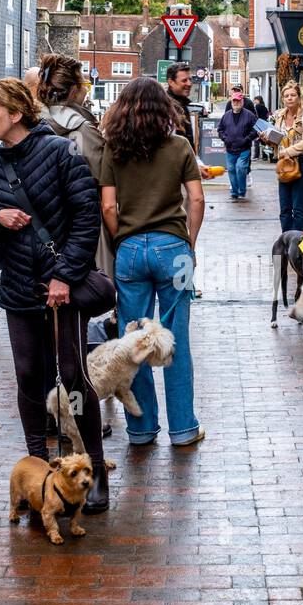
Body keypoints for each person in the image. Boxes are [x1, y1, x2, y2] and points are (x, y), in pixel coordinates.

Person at [0, 78, 110, 512]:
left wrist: (65, 277)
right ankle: (39, 473)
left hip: (61, 291)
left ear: (16, 113)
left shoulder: (59, 152)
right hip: (18, 288)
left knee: (72, 377)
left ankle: (96, 470)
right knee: (29, 377)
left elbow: (87, 218)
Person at [100, 78, 205, 447]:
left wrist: (120, 240)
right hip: (172, 249)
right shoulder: (178, 146)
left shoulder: (114, 150)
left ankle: (142, 430)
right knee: (175, 341)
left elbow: (108, 206)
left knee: (133, 342)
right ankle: (183, 429)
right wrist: (188, 243)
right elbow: (196, 200)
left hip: (129, 251)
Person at [38, 53, 113, 277]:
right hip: (80, 229)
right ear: (73, 91)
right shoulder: (83, 129)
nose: (85, 90)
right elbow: (102, 178)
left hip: (38, 226)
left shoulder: (29, 124)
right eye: (84, 84)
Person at [271, 81, 303, 233]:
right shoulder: (279, 116)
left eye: (293, 95)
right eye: (286, 96)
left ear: (299, 97)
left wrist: (289, 151)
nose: (289, 98)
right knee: (285, 208)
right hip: (284, 164)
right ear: (282, 99)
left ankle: (299, 246)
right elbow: (277, 140)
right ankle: (286, 242)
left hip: (301, 163)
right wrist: (268, 139)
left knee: (298, 207)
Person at [216, 83, 258, 200]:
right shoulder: (226, 115)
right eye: (234, 101)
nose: (236, 103)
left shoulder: (249, 114)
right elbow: (220, 129)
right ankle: (235, 192)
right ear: (231, 101)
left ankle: (242, 189)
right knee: (231, 170)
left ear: (242, 101)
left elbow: (256, 128)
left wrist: (247, 139)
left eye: (238, 101)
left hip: (244, 148)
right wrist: (225, 138)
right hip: (230, 148)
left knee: (240, 168)